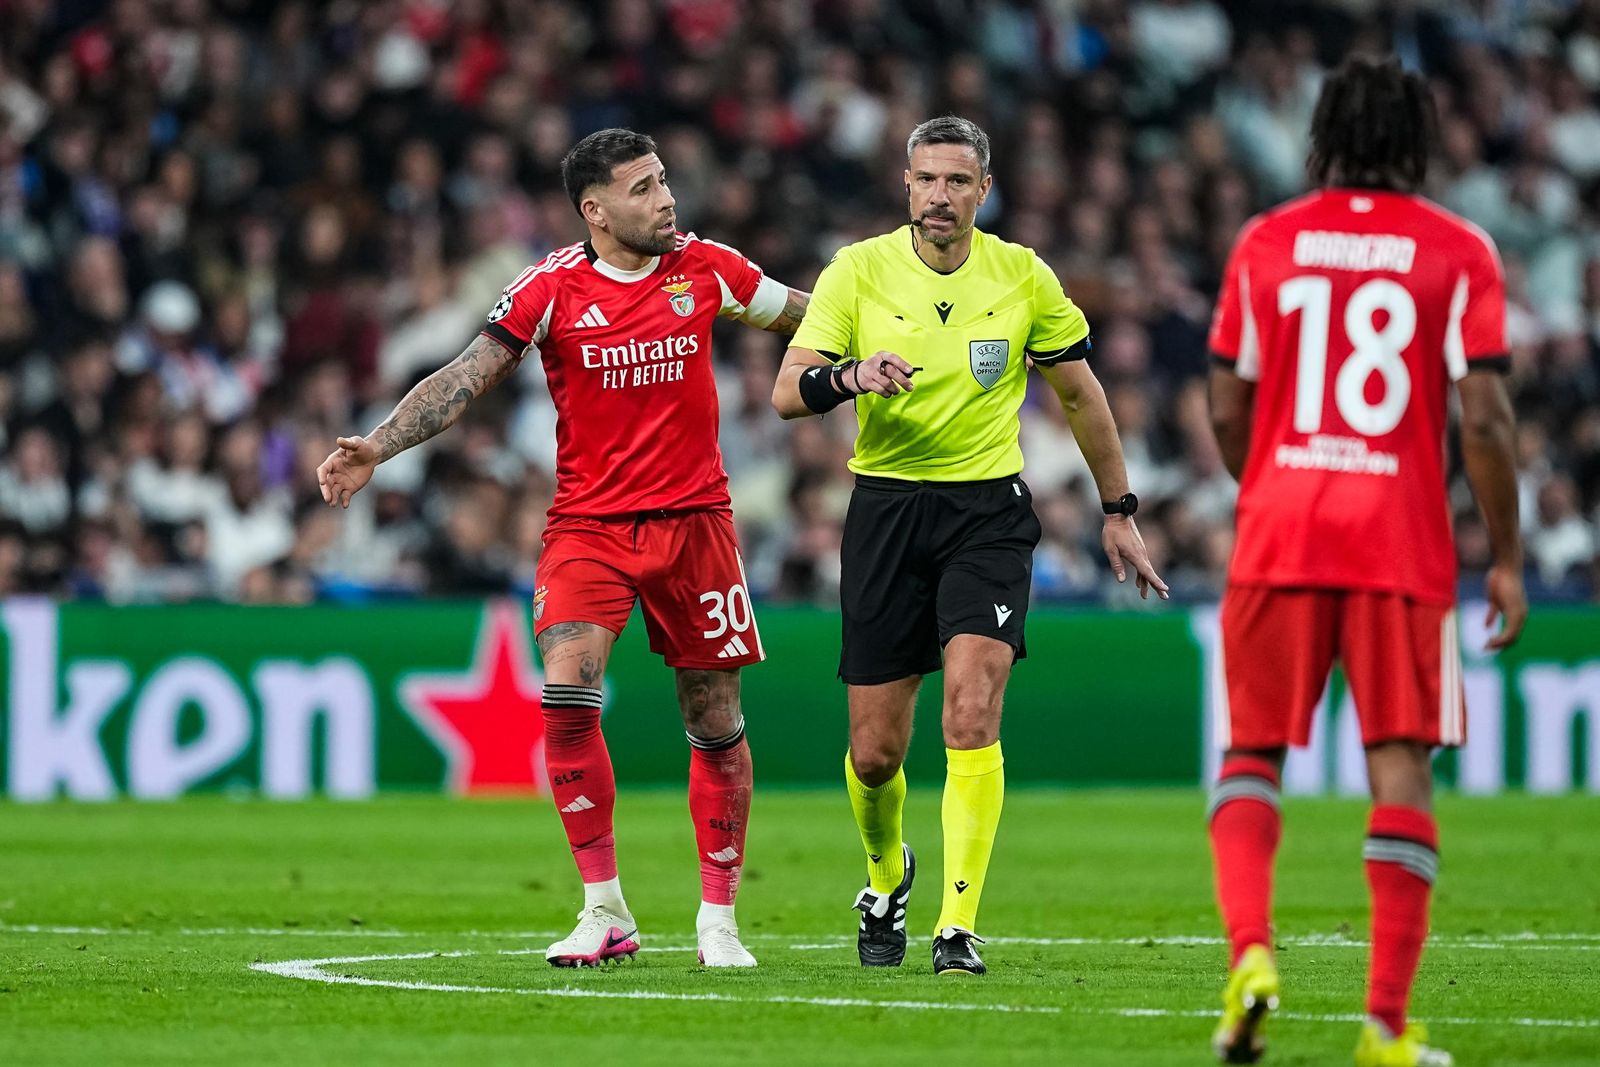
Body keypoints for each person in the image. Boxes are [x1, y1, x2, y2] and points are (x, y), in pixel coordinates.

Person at [318, 128, 810, 969]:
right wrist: (379, 444)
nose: (667, 199)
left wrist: (880, 342)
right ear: (596, 208)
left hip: (696, 524)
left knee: (713, 717)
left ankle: (719, 919)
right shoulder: (550, 289)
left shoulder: (708, 270)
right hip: (590, 527)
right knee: (566, 686)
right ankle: (605, 908)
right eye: (645, 187)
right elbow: (464, 376)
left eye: (664, 181)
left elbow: (812, 315)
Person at [771, 115, 1167, 976]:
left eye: (956, 181)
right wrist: (850, 375)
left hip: (987, 513)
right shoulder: (858, 270)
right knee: (875, 751)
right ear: (904, 185)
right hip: (885, 510)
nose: (938, 197)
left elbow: (1081, 394)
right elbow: (783, 393)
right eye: (924, 180)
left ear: (983, 190)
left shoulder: (1023, 277)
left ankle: (957, 926)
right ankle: (886, 879)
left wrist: (1117, 507)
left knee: (970, 709)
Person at [1204, 56, 1526, 1067]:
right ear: (1417, 138)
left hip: (1280, 524)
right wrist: (1506, 557)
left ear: (1324, 133)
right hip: (1397, 536)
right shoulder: (1457, 249)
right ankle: (1384, 1023)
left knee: (1253, 750)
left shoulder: (1267, 240)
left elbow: (1222, 400)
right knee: (1400, 764)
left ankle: (1250, 955)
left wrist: (1262, 485)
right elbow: (1483, 412)